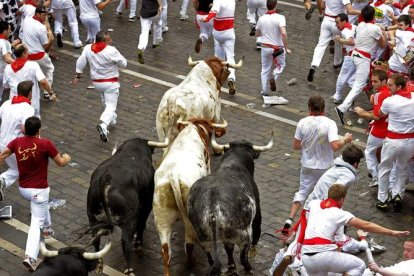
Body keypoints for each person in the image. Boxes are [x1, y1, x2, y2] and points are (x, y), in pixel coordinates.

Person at [0, 116, 71, 271]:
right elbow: (60, 163)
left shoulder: (16, 143)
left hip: (23, 189)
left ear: (25, 129)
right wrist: (66, 158)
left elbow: (2, 155)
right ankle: (30, 257)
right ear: (39, 129)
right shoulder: (45, 144)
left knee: (41, 205)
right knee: (35, 223)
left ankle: (47, 230)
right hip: (39, 190)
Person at [301, 184, 410, 275]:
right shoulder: (340, 214)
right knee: (359, 265)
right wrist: (392, 232)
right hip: (323, 254)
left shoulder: (313, 204)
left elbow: (306, 216)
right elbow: (366, 225)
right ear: (342, 199)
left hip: (306, 258)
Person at [283, 95, 353, 232]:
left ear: (309, 108)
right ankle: (321, 222)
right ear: (324, 108)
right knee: (325, 194)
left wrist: (308, 143)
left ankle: (290, 219)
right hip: (325, 167)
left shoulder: (303, 122)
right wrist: (346, 139)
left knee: (302, 192)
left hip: (307, 165)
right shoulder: (330, 123)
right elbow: (335, 146)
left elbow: (296, 146)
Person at [335, 5, 387, 125]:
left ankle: (364, 103)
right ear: (373, 16)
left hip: (355, 54)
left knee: (362, 82)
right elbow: (383, 45)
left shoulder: (360, 25)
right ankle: (342, 108)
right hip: (363, 58)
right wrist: (382, 32)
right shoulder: (375, 29)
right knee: (359, 85)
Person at [74, 31, 127, 142]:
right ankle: (104, 125)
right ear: (104, 41)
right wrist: (117, 64)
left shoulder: (88, 48)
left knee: (106, 102)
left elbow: (81, 61)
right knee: (111, 106)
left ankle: (112, 120)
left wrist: (78, 75)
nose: (111, 41)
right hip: (110, 83)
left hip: (96, 83)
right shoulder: (111, 50)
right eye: (108, 40)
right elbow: (124, 63)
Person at [376, 73, 414, 211]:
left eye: (390, 85)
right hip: (410, 141)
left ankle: (382, 199)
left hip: (393, 140)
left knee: (385, 168)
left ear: (399, 86)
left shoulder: (390, 101)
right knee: (402, 167)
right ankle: (398, 194)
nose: (388, 87)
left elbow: (379, 114)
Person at [307, 0, 360, 83]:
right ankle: (336, 63)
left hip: (326, 20)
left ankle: (314, 65)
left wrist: (324, 13)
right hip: (338, 22)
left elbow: (322, 5)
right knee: (339, 43)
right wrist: (363, 12)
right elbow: (350, 11)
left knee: (321, 45)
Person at [354, 69, 391, 187]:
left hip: (379, 131)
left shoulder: (379, 95)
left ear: (384, 81)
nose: (373, 84)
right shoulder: (392, 93)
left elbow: (376, 116)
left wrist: (361, 113)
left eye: (375, 82)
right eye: (372, 81)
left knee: (369, 152)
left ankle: (376, 176)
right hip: (390, 131)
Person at [0, 81, 35, 201]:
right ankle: (35, 199)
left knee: (15, 169)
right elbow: (25, 129)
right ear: (30, 94)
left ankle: (2, 181)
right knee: (25, 170)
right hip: (14, 146)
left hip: (2, 142)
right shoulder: (28, 109)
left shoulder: (6, 103)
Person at [2, 44, 58, 117]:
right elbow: (43, 81)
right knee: (34, 122)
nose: (29, 52)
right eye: (27, 50)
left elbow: (5, 85)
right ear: (24, 53)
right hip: (31, 102)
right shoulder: (33, 65)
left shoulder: (8, 68)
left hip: (14, 101)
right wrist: (51, 93)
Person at [256, 0, 291, 96]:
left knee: (265, 69)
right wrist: (286, 47)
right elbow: (283, 33)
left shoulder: (262, 18)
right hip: (278, 48)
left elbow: (257, 34)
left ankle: (264, 91)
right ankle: (274, 75)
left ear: (266, 6)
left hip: (265, 47)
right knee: (281, 65)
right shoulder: (280, 17)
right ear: (276, 5)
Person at [202, 0, 238, 94]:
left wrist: (206, 19)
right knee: (230, 57)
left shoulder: (218, 1)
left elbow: (214, 12)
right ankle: (231, 77)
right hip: (229, 32)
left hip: (218, 34)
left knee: (219, 58)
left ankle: (217, 80)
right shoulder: (232, 1)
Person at [20, 7, 55, 99]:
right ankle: (47, 92)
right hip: (39, 56)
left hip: (26, 56)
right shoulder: (41, 28)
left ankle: (28, 91)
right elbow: (46, 48)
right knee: (50, 69)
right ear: (38, 14)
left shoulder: (27, 19)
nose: (45, 17)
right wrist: (50, 39)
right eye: (44, 15)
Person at [331, 13, 356, 104]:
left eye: (337, 22)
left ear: (344, 21)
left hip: (352, 56)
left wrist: (339, 40)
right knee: (353, 79)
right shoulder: (354, 26)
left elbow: (351, 41)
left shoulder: (345, 30)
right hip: (360, 56)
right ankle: (352, 99)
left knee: (343, 76)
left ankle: (338, 96)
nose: (336, 25)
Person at [136, 0, 163, 64]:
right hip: (155, 12)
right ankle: (156, 41)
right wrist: (161, 5)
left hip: (145, 13)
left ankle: (141, 48)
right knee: (158, 25)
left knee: (144, 32)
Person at [0, 21, 15, 102]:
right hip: (2, 73)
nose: (10, 31)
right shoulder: (5, 42)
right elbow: (7, 59)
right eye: (9, 29)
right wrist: (21, 63)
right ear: (4, 31)